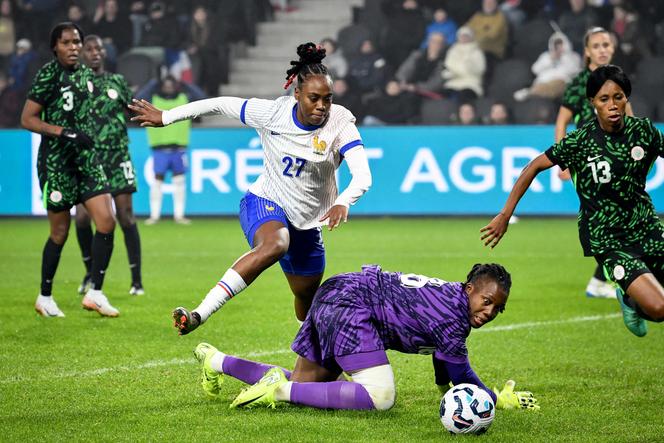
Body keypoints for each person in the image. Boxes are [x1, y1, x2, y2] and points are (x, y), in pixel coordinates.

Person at [129, 42, 372, 335]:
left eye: (328, 99)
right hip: (266, 200)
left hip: (309, 224)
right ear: (296, 94)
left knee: (306, 298)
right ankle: (198, 315)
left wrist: (344, 200)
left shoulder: (341, 123)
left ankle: (311, 360)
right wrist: (167, 117)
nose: (322, 106)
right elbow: (218, 103)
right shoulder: (271, 113)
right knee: (275, 244)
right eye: (314, 98)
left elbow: (363, 176)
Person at [190, 263, 539, 412]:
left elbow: (444, 360)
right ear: (470, 289)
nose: (489, 312)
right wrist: (494, 399)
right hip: (351, 305)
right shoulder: (454, 318)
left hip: (340, 291)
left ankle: (216, 361)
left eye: (498, 309)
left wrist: (441, 386)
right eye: (487, 301)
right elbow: (459, 372)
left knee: (306, 385)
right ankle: (276, 391)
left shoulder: (451, 300)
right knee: (380, 396)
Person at [480, 65, 664, 338]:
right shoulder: (580, 141)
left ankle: (633, 299)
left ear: (627, 99)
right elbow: (533, 167)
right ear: (592, 103)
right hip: (609, 239)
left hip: (647, 227)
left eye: (619, 97)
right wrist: (505, 214)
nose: (613, 105)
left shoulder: (645, 132)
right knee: (659, 308)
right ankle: (630, 299)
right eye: (604, 99)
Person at [21, 22, 119, 317]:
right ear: (55, 47)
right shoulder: (48, 76)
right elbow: (27, 118)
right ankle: (45, 296)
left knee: (106, 221)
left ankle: (96, 293)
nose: (74, 47)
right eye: (67, 43)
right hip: (57, 164)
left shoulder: (87, 75)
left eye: (76, 41)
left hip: (86, 162)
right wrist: (63, 132)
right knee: (60, 233)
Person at [554, 27, 633, 299]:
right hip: (588, 160)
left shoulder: (618, 80)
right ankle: (607, 279)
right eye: (596, 45)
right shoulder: (579, 84)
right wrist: (562, 162)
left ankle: (604, 279)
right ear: (587, 51)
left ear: (612, 48)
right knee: (610, 216)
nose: (601, 49)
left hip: (616, 159)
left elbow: (629, 119)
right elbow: (562, 121)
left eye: (606, 45)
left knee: (617, 217)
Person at [74, 34, 143, 297]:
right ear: (82, 54)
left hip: (118, 157)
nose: (94, 53)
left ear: (104, 53)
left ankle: (136, 280)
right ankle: (91, 274)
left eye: (98, 49)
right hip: (90, 159)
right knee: (81, 218)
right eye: (89, 49)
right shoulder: (77, 84)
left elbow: (131, 111)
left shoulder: (117, 82)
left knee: (125, 216)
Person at [134, 75, 206, 225]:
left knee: (179, 181)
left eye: (171, 85)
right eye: (165, 85)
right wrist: (152, 82)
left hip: (179, 148)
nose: (168, 87)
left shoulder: (183, 99)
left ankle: (179, 215)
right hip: (159, 148)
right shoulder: (154, 101)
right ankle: (154, 215)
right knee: (157, 181)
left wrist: (185, 83)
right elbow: (138, 98)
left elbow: (202, 98)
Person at [513, 32, 581, 102]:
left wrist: (564, 57)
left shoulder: (573, 56)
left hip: (561, 81)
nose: (559, 48)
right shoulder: (546, 56)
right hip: (543, 81)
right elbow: (535, 69)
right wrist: (550, 60)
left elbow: (574, 70)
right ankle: (532, 92)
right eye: (556, 46)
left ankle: (530, 93)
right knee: (541, 86)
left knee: (555, 86)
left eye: (561, 45)